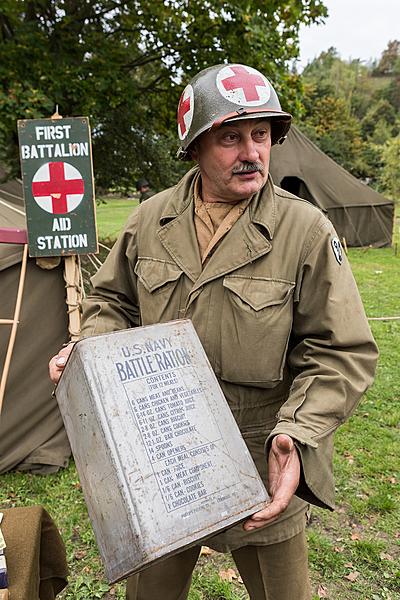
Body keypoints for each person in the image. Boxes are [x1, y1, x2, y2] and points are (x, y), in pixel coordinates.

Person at [49, 63, 378, 600]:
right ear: (196, 146)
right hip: (162, 450)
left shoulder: (306, 231)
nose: (251, 152)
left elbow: (342, 352)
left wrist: (296, 433)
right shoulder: (149, 220)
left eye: (261, 135)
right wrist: (91, 351)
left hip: (260, 453)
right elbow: (112, 300)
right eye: (230, 137)